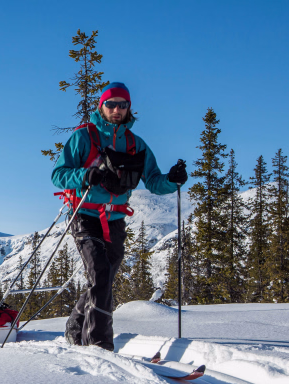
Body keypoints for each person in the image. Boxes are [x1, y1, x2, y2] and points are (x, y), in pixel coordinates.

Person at [51, 82, 187, 351]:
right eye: (110, 104)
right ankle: (100, 345)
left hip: (116, 220)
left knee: (102, 280)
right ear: (101, 107)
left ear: (128, 109)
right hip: (84, 215)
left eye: (122, 105)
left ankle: (75, 326)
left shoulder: (136, 145)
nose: (116, 109)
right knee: (100, 274)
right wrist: (84, 175)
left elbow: (154, 181)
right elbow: (58, 174)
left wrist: (172, 180)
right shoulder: (84, 137)